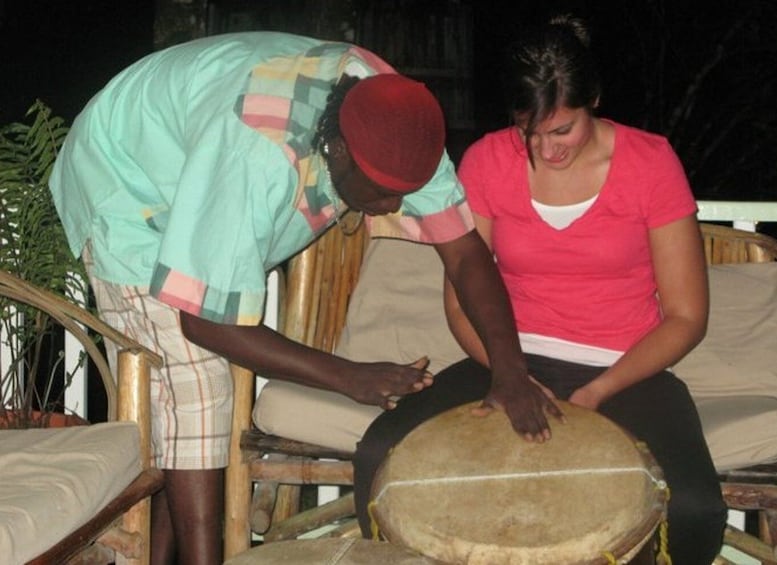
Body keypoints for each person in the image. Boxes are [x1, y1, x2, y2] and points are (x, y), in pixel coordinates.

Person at [48, 32, 556, 565]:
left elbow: (467, 255)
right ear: (336, 148)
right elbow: (205, 324)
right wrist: (349, 376)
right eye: (381, 193)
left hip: (200, 146)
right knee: (196, 381)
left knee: (189, 413)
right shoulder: (254, 153)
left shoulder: (397, 121)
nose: (392, 205)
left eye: (403, 193)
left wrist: (510, 371)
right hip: (125, 181)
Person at [352, 14, 727, 564]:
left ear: (593, 100)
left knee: (693, 507)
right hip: (505, 359)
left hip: (625, 369)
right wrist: (512, 375)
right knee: (380, 452)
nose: (547, 149)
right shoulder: (487, 160)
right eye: (530, 132)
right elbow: (460, 295)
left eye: (562, 130)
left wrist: (599, 393)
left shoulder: (650, 163)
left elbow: (686, 316)